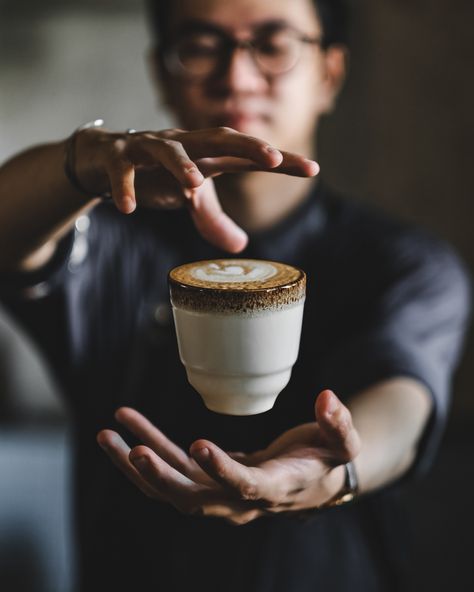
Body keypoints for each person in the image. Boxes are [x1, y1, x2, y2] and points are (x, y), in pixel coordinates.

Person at [0, 0, 470, 590]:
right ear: (163, 73)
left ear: (330, 73)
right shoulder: (107, 244)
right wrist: (81, 165)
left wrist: (337, 468)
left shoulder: (403, 262)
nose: (237, 76)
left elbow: (404, 402)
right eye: (200, 46)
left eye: (273, 45)